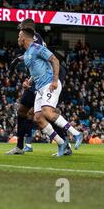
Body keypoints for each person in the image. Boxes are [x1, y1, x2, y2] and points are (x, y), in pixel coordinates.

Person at [7, 19, 71, 156]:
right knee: (23, 110)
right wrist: (30, 80)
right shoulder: (33, 40)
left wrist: (17, 60)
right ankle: (20, 146)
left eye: (21, 28)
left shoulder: (35, 39)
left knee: (46, 113)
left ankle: (65, 144)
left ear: (26, 28)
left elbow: (44, 59)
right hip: (37, 81)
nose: (19, 31)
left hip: (46, 81)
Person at [16, 28, 83, 157]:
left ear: (24, 37)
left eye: (19, 36)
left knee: (47, 111)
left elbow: (55, 60)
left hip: (49, 85)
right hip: (39, 88)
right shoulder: (28, 53)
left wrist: (55, 80)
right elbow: (37, 70)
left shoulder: (37, 48)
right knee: (38, 118)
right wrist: (28, 82)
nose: (17, 39)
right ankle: (61, 143)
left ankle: (77, 134)